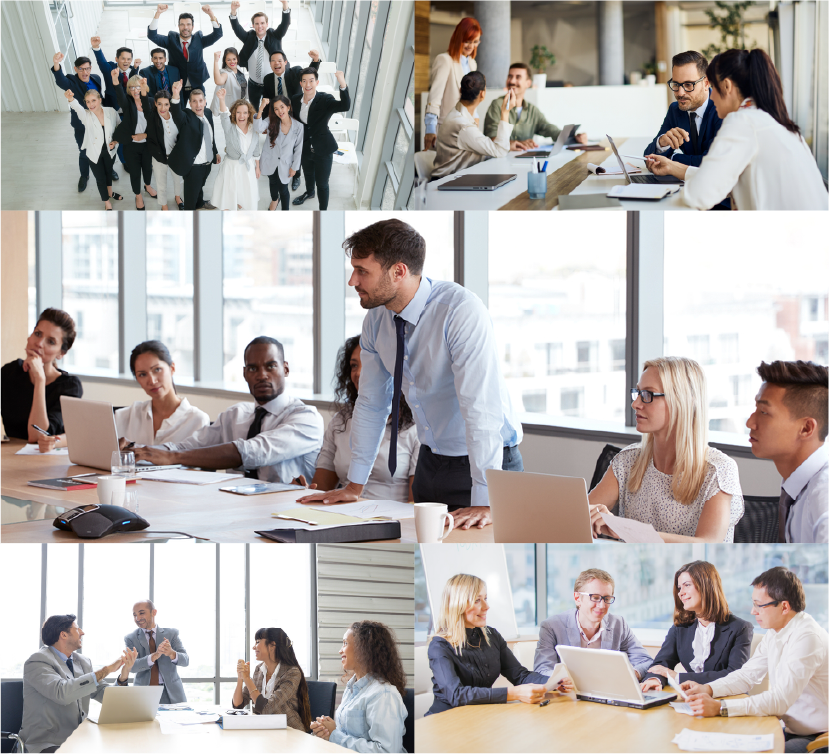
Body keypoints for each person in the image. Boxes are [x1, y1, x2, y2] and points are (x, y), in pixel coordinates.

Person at [298, 220, 523, 530]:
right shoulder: (376, 320)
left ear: (398, 271)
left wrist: (486, 500)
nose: (352, 281)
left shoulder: (459, 311)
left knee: (478, 552)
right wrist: (355, 485)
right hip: (431, 463)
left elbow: (480, 409)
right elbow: (372, 402)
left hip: (487, 465)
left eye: (363, 271)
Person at [645, 49, 829, 210]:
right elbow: (726, 181)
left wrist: (675, 161)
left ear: (726, 86)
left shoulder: (742, 122)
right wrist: (673, 166)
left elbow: (698, 195)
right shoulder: (769, 119)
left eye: (714, 88)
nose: (713, 97)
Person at [589, 356, 745, 542]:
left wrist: (626, 530)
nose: (636, 404)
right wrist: (596, 518)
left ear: (682, 401)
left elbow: (708, 544)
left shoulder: (718, 471)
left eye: (648, 395)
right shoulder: (628, 461)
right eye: (637, 393)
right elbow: (577, 518)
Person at [133, 336, 323, 482]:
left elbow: (253, 451)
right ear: (244, 374)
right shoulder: (235, 415)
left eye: (271, 366)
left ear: (286, 369)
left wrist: (172, 457)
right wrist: (136, 452)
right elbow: (187, 446)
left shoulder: (306, 417)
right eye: (253, 369)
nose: (262, 375)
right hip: (235, 509)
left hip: (287, 513)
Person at [682, 567, 829, 754]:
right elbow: (747, 675)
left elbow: (780, 700)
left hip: (820, 737)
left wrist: (721, 707)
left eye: (759, 605)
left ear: (784, 606)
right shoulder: (775, 632)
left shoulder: (807, 637)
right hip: (793, 730)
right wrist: (709, 689)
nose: (753, 611)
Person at [299, 335, 420, 501]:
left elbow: (417, 504)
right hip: (344, 516)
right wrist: (305, 492)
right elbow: (322, 488)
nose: (359, 373)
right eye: (354, 365)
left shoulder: (417, 426)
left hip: (390, 519)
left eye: (370, 365)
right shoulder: (340, 421)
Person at [426, 574, 564, 715]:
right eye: (477, 600)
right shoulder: (439, 646)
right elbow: (456, 695)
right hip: (446, 720)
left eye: (485, 599)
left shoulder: (491, 636)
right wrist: (514, 693)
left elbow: (520, 676)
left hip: (479, 718)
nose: (487, 606)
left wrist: (555, 682)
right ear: (458, 605)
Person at [19, 614, 137, 754]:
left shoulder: (83, 661)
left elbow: (104, 694)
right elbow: (62, 693)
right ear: (63, 634)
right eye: (77, 628)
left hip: (80, 739)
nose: (82, 632)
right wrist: (107, 670)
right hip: (47, 743)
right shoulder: (38, 661)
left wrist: (124, 675)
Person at [746, 360, 829, 543]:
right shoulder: (798, 486)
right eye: (756, 410)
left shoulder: (823, 495)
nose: (750, 423)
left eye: (764, 412)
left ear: (806, 428)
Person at [639, 561, 753, 692]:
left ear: (706, 586)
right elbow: (660, 664)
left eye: (687, 585)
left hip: (725, 700)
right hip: (691, 698)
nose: (680, 593)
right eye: (679, 588)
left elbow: (734, 676)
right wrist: (655, 679)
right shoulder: (681, 627)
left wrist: (678, 677)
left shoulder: (740, 628)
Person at [533, 568, 653, 679]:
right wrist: (562, 680)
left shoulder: (618, 624)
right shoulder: (552, 626)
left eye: (607, 598)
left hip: (607, 694)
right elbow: (542, 669)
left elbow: (645, 661)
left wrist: (630, 675)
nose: (602, 605)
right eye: (595, 598)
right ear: (577, 598)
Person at [311, 621, 408, 752]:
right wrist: (325, 731)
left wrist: (334, 735)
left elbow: (386, 751)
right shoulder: (352, 688)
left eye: (345, 643)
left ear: (363, 648)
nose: (340, 650)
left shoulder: (384, 694)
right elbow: (344, 734)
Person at [0, 309, 82, 451]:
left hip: (47, 463)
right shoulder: (10, 371)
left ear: (61, 353)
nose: (39, 343)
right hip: (10, 456)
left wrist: (39, 380)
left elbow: (37, 437)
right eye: (37, 334)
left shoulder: (69, 386)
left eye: (50, 341)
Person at [115, 340, 209, 446]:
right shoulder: (124, 417)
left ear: (172, 368)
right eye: (142, 374)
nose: (152, 381)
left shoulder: (197, 420)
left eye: (157, 369)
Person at [49, 52, 118, 192]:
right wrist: (56, 63)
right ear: (76, 69)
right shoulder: (72, 82)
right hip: (82, 124)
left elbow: (100, 98)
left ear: (91, 69)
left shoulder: (96, 78)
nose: (84, 72)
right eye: (81, 69)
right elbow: (60, 80)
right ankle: (84, 176)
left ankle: (109, 171)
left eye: (87, 68)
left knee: (104, 148)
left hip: (99, 122)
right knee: (84, 151)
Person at [644, 51, 724, 169]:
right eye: (676, 84)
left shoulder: (722, 110)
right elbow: (648, 158)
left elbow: (712, 162)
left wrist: (671, 159)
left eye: (688, 85)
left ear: (706, 83)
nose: (680, 93)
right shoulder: (675, 110)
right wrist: (662, 144)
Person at [483, 63, 588, 150]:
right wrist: (514, 143)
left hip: (524, 161)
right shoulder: (497, 105)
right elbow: (490, 138)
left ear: (528, 83)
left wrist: (574, 137)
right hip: (499, 162)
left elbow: (550, 129)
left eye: (518, 77)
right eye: (510, 76)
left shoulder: (532, 110)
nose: (512, 81)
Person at [431, 72, 514, 181]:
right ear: (482, 94)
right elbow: (500, 151)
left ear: (461, 90)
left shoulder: (458, 114)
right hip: (447, 182)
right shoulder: (462, 125)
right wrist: (505, 112)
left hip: (458, 178)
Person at [291, 68, 350, 209]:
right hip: (304, 147)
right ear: (300, 83)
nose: (308, 84)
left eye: (311, 80)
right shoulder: (295, 100)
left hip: (323, 148)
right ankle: (309, 193)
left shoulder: (325, 99)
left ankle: (323, 211)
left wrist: (342, 83)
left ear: (317, 82)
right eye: (304, 81)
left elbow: (345, 106)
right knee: (308, 175)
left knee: (322, 184)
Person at [233, 627, 312, 732]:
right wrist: (241, 678)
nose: (253, 647)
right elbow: (238, 705)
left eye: (257, 642)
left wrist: (247, 678)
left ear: (272, 645)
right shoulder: (259, 670)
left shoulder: (292, 673)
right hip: (265, 730)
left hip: (290, 732)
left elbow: (266, 708)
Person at [262, 50, 319, 191]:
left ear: (285, 62)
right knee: (280, 145)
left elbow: (308, 78)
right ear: (270, 64)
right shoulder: (268, 79)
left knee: (296, 147)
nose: (277, 63)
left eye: (280, 60)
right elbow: (267, 101)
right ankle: (277, 168)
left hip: (296, 115)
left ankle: (296, 175)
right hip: (278, 115)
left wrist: (316, 61)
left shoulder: (294, 72)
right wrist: (265, 121)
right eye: (273, 61)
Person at [423, 17, 481, 151]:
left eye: (475, 42)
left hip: (468, 130)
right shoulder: (444, 60)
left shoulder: (472, 63)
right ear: (458, 38)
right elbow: (434, 97)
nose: (471, 46)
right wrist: (430, 129)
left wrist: (476, 118)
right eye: (467, 41)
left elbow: (471, 97)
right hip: (446, 130)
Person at [118, 600, 189, 704]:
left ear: (154, 612)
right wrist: (154, 656)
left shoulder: (172, 634)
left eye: (141, 613)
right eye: (134, 615)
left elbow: (185, 661)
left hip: (171, 694)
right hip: (143, 694)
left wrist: (171, 653)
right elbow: (132, 667)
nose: (137, 618)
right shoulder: (131, 638)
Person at [148, 3, 223, 100]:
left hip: (197, 83)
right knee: (178, 111)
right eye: (182, 24)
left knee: (201, 109)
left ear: (193, 26)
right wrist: (157, 13)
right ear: (178, 26)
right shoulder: (171, 40)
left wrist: (211, 14)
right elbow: (152, 36)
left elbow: (218, 34)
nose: (185, 27)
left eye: (188, 24)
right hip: (177, 84)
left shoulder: (199, 40)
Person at [63, 89, 122, 209]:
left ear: (100, 100)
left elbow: (120, 127)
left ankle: (110, 193)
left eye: (93, 100)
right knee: (100, 178)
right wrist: (70, 99)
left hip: (110, 151)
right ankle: (106, 202)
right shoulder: (86, 115)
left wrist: (115, 141)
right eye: (88, 102)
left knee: (108, 173)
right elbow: (77, 108)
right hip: (94, 153)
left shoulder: (111, 111)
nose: (91, 104)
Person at [167, 80, 220, 210]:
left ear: (205, 101)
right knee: (190, 195)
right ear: (189, 103)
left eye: (200, 101)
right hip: (193, 167)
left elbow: (210, 135)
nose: (198, 105)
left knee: (200, 186)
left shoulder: (207, 113)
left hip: (207, 163)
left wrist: (215, 152)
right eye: (194, 101)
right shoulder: (186, 117)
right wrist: (175, 95)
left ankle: (200, 202)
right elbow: (176, 114)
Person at [228, 0, 292, 110]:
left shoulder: (275, 35)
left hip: (271, 84)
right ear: (253, 25)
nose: (260, 26)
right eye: (256, 23)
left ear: (267, 24)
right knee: (254, 111)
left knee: (271, 110)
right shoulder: (249, 37)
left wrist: (285, 5)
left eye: (262, 23)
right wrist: (233, 11)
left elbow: (285, 24)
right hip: (253, 85)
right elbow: (237, 29)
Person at [112, 72, 158, 210]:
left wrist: (144, 135)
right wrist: (115, 80)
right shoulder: (128, 103)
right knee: (135, 172)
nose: (135, 90)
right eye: (131, 87)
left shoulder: (151, 102)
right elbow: (120, 96)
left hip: (147, 143)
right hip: (131, 145)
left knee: (148, 168)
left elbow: (156, 125)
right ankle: (138, 195)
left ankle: (148, 186)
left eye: (138, 87)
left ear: (144, 87)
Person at [211, 89, 261, 210]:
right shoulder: (230, 128)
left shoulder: (254, 129)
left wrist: (257, 167)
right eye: (238, 112)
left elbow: (256, 150)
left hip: (247, 167)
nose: (241, 116)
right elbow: (224, 115)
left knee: (246, 195)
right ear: (234, 114)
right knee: (229, 197)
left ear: (249, 114)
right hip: (231, 168)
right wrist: (222, 99)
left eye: (244, 112)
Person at [254, 95, 304, 210]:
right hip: (269, 161)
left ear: (288, 107)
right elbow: (258, 129)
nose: (279, 111)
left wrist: (295, 167)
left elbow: (298, 149)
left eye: (282, 107)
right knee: (272, 182)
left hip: (286, 164)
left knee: (283, 189)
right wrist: (261, 108)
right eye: (276, 109)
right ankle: (274, 199)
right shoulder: (271, 121)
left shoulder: (298, 127)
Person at [143, 88, 185, 210]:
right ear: (155, 103)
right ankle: (164, 205)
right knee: (161, 184)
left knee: (179, 180)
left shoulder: (177, 117)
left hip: (175, 157)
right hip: (159, 157)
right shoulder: (152, 118)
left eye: (166, 104)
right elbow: (145, 105)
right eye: (159, 104)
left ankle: (178, 197)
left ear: (170, 104)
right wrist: (144, 89)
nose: (163, 108)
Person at [89, 37, 139, 108]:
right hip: (113, 106)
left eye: (128, 59)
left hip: (130, 107)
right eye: (123, 58)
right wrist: (96, 47)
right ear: (116, 59)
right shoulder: (110, 69)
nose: (126, 61)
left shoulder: (134, 70)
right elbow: (102, 62)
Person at [210, 48, 247, 113]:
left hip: (242, 106)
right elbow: (218, 81)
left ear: (237, 59)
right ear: (225, 61)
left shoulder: (239, 69)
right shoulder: (225, 73)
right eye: (228, 60)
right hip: (231, 109)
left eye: (234, 59)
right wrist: (216, 61)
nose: (232, 62)